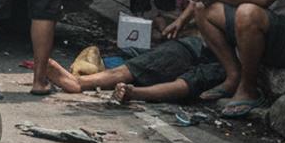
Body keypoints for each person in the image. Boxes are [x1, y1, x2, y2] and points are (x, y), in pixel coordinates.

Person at [46, 37, 225, 105]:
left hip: (212, 58)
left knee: (189, 82)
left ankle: (81, 83)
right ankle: (82, 82)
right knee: (137, 67)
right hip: (196, 48)